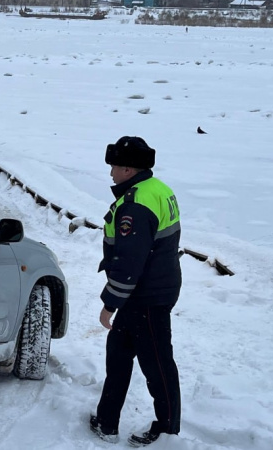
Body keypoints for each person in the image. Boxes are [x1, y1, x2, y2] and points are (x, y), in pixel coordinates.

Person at [89, 136, 182, 448]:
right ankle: (107, 421)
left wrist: (109, 303)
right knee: (117, 356)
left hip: (147, 296)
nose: (111, 173)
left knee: (157, 364)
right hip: (144, 292)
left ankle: (168, 432)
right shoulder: (157, 189)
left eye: (114, 166)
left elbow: (130, 262)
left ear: (129, 169)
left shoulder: (136, 205)